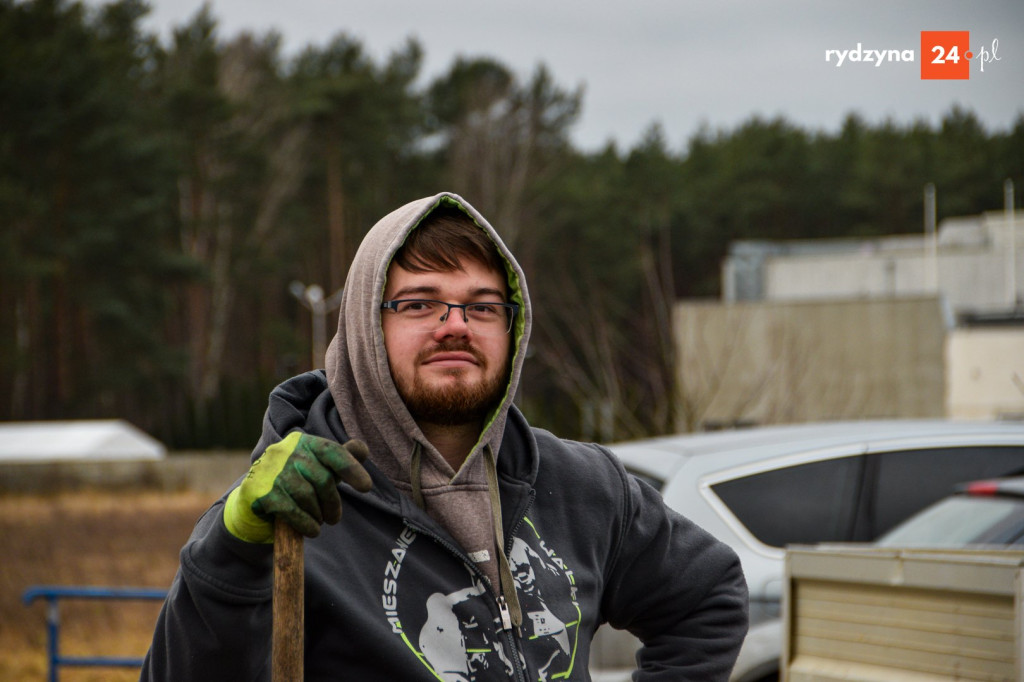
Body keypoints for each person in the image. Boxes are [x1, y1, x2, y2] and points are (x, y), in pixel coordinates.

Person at [140, 192, 748, 681]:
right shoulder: (295, 511)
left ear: (514, 331)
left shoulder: (583, 487)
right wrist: (232, 549)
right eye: (419, 303)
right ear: (363, 324)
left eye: (483, 307)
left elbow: (709, 597)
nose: (454, 325)